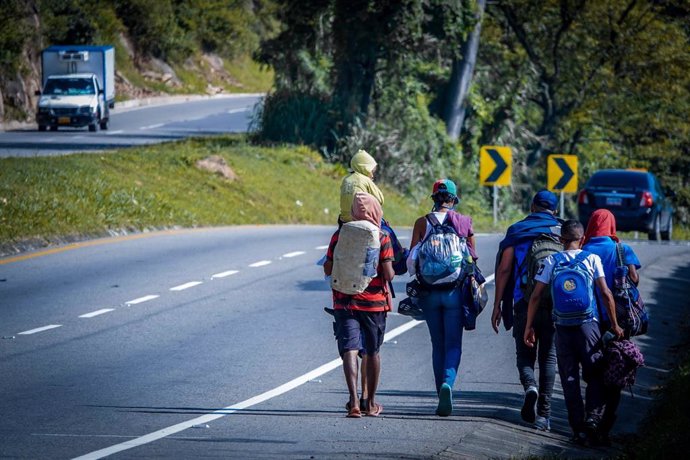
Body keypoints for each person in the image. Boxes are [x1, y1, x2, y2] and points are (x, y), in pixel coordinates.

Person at [524, 219, 624, 445]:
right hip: (589, 325)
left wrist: (529, 326)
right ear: (583, 239)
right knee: (595, 374)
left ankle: (577, 429)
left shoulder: (551, 260)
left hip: (562, 328)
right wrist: (616, 324)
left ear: (561, 240)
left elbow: (536, 296)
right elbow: (606, 293)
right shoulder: (591, 258)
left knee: (569, 380)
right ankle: (592, 420)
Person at [491, 190, 562, 431]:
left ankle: (530, 386)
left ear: (532, 206)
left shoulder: (517, 231)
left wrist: (497, 305)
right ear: (554, 209)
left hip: (523, 300)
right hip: (555, 303)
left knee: (524, 355)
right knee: (549, 357)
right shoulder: (561, 231)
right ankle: (544, 415)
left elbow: (503, 270)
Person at [407, 179, 476, 416]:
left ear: (434, 198)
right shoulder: (464, 222)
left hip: (429, 294)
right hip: (455, 293)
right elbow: (471, 260)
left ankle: (440, 394)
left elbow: (411, 260)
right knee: (453, 344)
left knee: (438, 344)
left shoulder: (421, 222)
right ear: (454, 200)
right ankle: (448, 383)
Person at [324, 192, 394, 418]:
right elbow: (388, 274)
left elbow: (328, 267)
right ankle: (370, 403)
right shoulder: (382, 236)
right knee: (372, 352)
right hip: (374, 305)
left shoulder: (339, 235)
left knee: (350, 350)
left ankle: (354, 402)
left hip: (344, 301)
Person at [582, 209, 641, 445]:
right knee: (616, 370)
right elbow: (634, 279)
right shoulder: (621, 249)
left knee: (595, 371)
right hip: (618, 323)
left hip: (590, 322)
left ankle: (591, 420)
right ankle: (605, 427)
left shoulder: (584, 250)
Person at [339, 149, 385, 225]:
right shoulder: (365, 179)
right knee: (388, 231)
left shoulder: (345, 179)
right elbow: (380, 199)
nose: (372, 175)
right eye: (371, 171)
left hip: (344, 221)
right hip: (362, 221)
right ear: (365, 168)